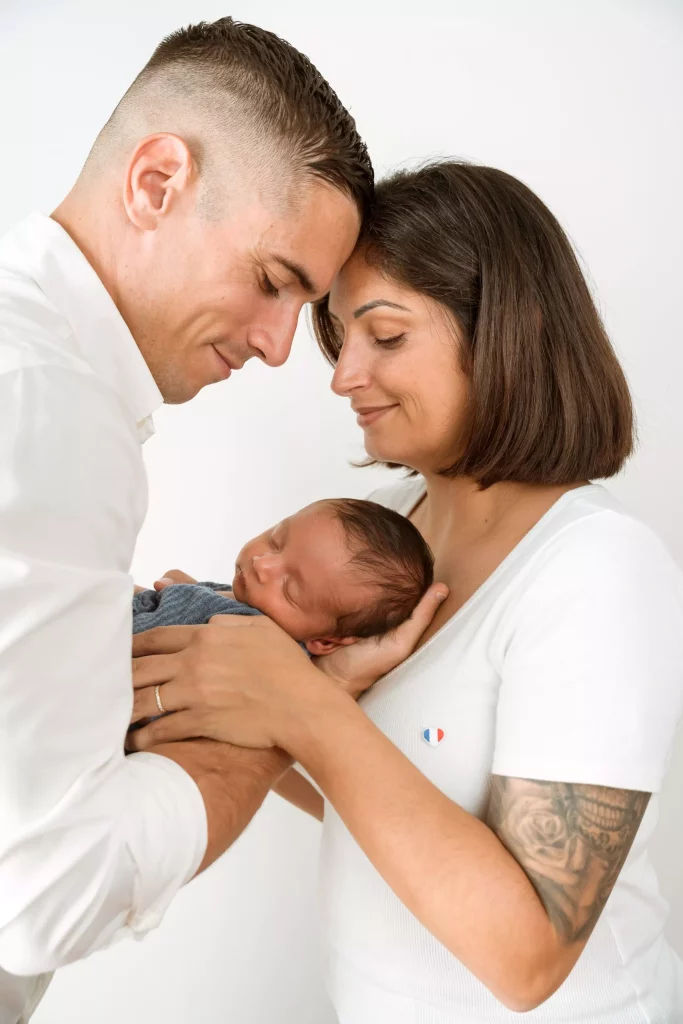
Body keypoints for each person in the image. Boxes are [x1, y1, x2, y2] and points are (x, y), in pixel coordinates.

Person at [129, 162, 683, 1022]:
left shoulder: (595, 568)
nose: (342, 375)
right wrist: (234, 691)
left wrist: (301, 705)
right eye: (339, 337)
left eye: (384, 336)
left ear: (507, 333)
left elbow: (528, 959)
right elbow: (365, 790)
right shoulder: (385, 532)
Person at [0, 18, 440, 1024]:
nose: (283, 349)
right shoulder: (51, 408)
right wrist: (277, 716)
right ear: (156, 182)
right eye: (273, 282)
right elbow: (42, 895)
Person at [130, 498, 434, 656]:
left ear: (324, 641)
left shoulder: (250, 648)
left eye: (289, 588)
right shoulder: (237, 602)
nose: (262, 565)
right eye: (275, 540)